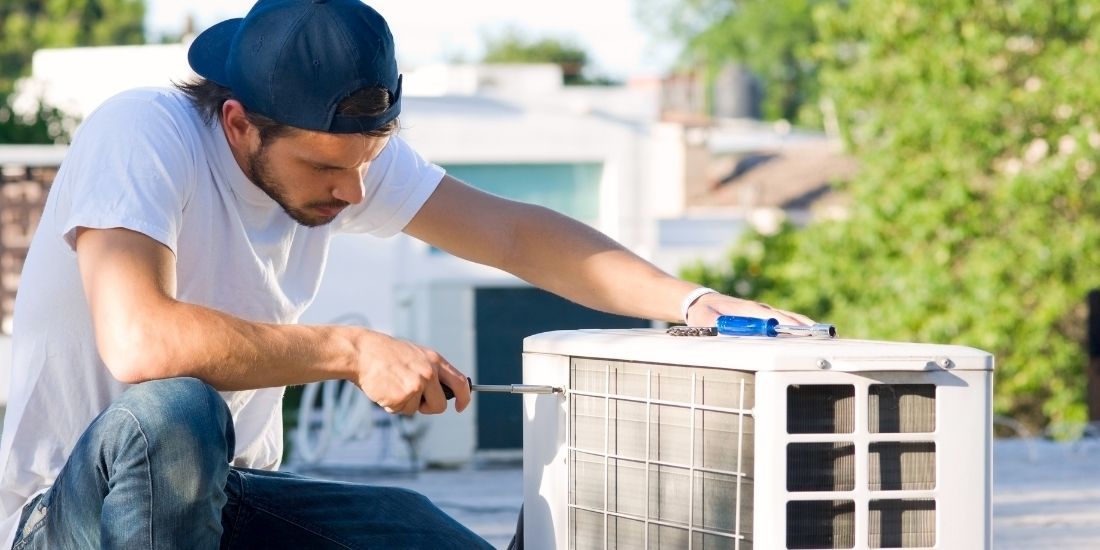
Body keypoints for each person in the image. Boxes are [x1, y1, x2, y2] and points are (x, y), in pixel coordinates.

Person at [0, 0, 811, 548]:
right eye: (325, 168)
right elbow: (142, 341)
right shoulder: (142, 132)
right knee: (171, 411)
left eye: (367, 165)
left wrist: (695, 301)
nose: (352, 192)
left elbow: (517, 234)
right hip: (73, 513)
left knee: (418, 529)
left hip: (227, 501)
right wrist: (353, 350)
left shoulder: (343, 159)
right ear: (239, 124)